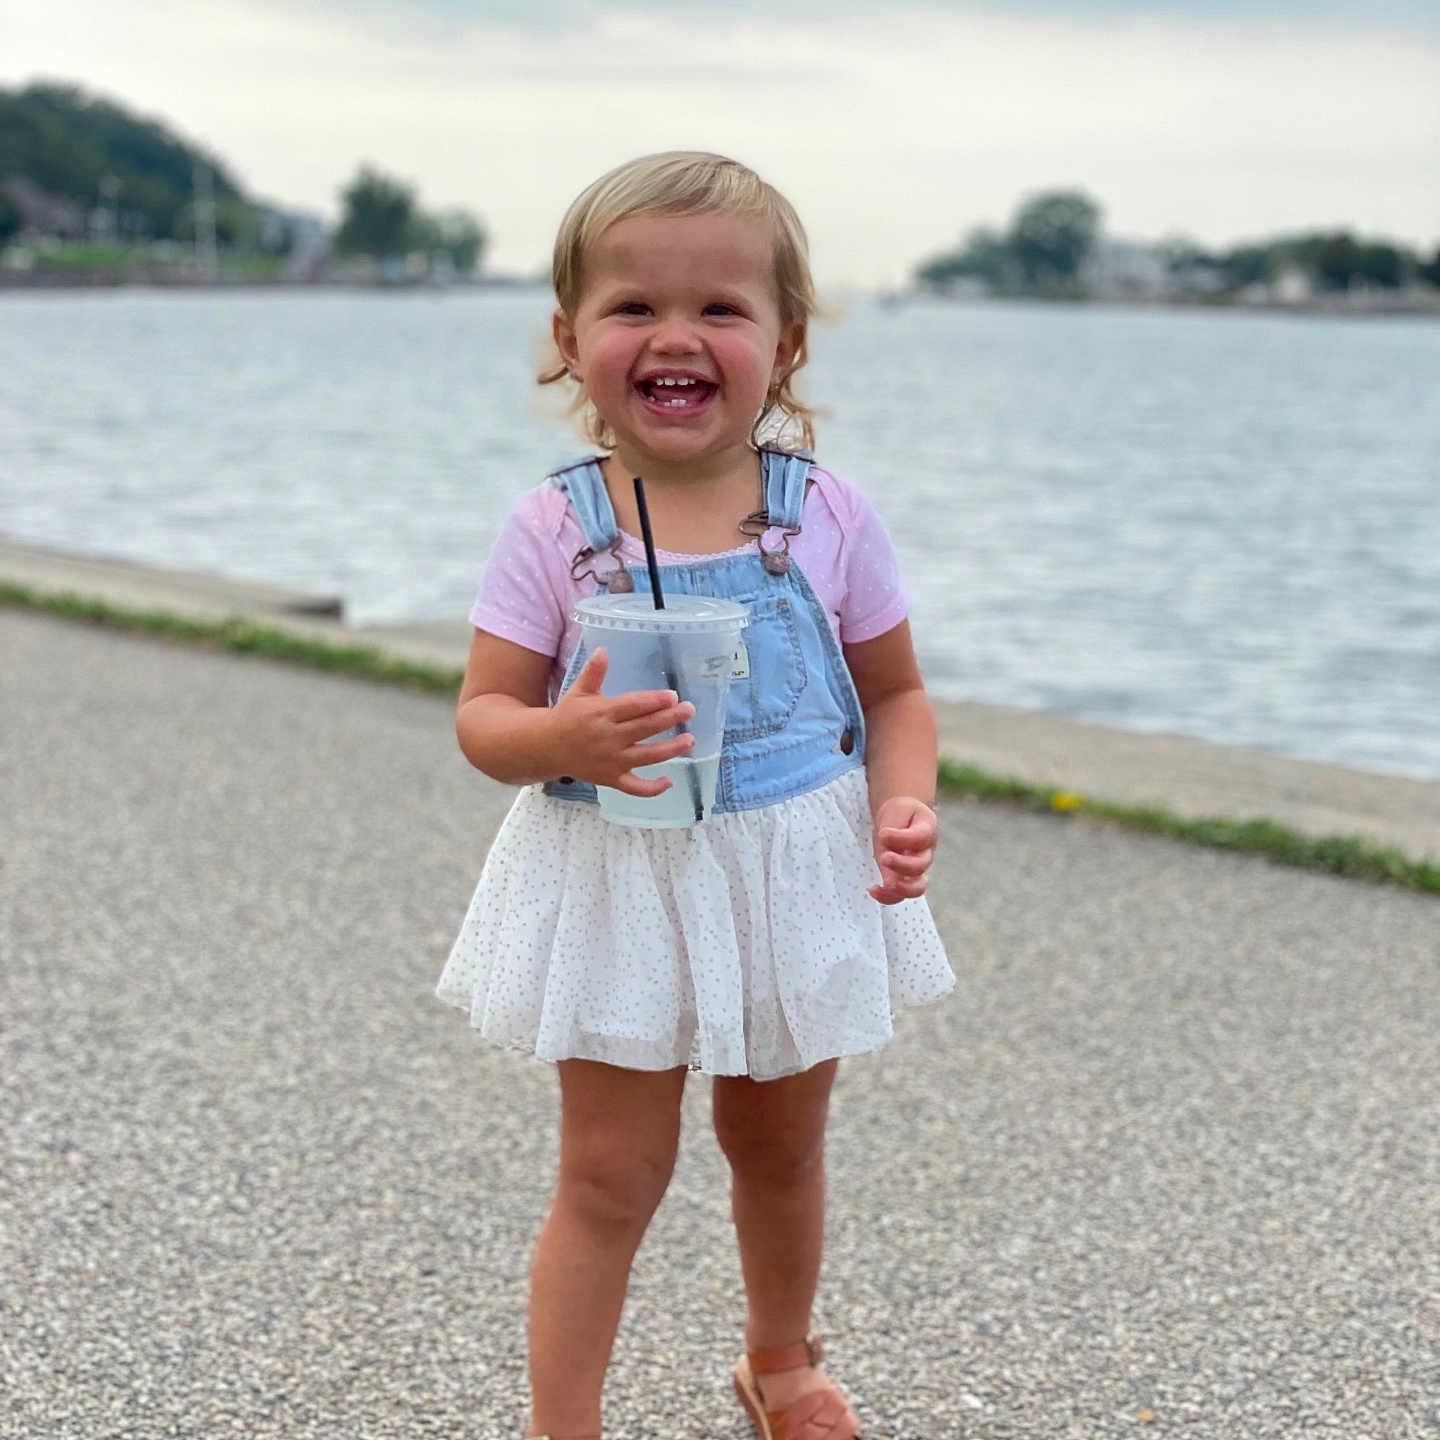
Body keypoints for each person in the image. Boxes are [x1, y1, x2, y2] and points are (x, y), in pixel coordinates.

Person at [436, 151, 954, 1440]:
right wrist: (563, 732)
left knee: (778, 1147)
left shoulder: (824, 515)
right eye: (633, 308)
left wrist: (903, 801)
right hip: (616, 874)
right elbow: (483, 721)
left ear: (783, 347)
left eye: (721, 309)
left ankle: (780, 1360)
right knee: (609, 1174)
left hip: (792, 864)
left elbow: (892, 693)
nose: (677, 335)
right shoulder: (555, 532)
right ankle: (565, 1423)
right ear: (570, 341)